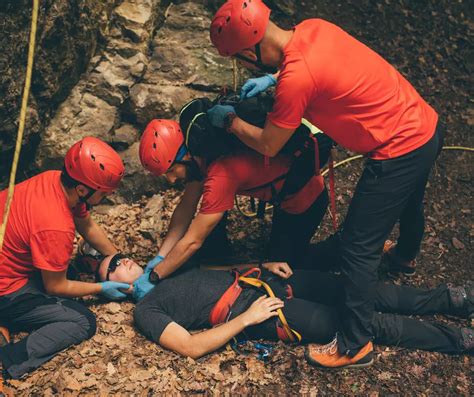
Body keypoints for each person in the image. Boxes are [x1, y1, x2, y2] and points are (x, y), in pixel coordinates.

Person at [207, 0, 444, 368]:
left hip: (397, 149)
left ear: (253, 48)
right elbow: (327, 67)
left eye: (240, 58)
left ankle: (355, 344)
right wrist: (273, 79)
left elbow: (271, 144)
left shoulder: (296, 80)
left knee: (357, 247)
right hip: (424, 125)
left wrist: (230, 123)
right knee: (410, 201)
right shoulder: (313, 28)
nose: (241, 66)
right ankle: (404, 256)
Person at [90, 254, 474, 362]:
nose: (122, 261)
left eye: (120, 256)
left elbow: (214, 270)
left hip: (266, 281)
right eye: (113, 266)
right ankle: (459, 339)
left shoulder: (166, 272)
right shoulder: (146, 311)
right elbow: (191, 347)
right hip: (261, 311)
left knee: (364, 291)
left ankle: (454, 299)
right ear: (114, 289)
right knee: (363, 322)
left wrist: (261, 263)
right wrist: (247, 318)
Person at [133, 115, 330, 300]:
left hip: (304, 203)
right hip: (283, 194)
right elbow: (186, 209)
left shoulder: (220, 175)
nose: (172, 179)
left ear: (184, 156)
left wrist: (155, 277)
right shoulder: (201, 155)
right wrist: (161, 256)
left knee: (284, 273)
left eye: (172, 170)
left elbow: (193, 241)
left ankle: (339, 251)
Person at [0, 137, 130, 380]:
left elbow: (86, 223)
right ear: (83, 190)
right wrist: (102, 287)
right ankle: (10, 358)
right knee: (82, 321)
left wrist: (115, 256)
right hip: (5, 289)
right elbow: (55, 286)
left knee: (68, 272)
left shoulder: (55, 181)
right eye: (103, 193)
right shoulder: (56, 226)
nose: (107, 196)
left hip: (6, 260)